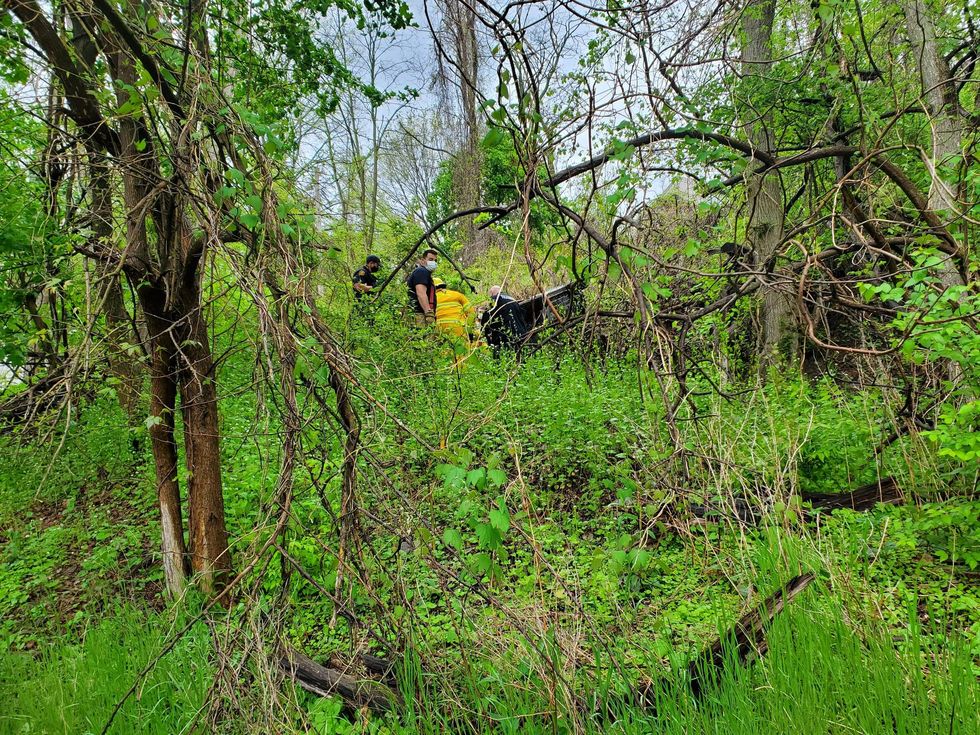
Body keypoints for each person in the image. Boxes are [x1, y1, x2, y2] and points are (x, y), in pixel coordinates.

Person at [481, 285, 529, 353]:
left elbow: (485, 320)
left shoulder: (494, 300)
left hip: (504, 338)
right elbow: (522, 315)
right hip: (520, 335)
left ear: (492, 293)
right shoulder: (513, 299)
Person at [406, 248, 439, 322]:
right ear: (423, 261)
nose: (433, 262)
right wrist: (428, 313)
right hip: (419, 315)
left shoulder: (425, 274)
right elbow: (421, 293)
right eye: (430, 259)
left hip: (419, 314)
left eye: (435, 260)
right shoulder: (421, 271)